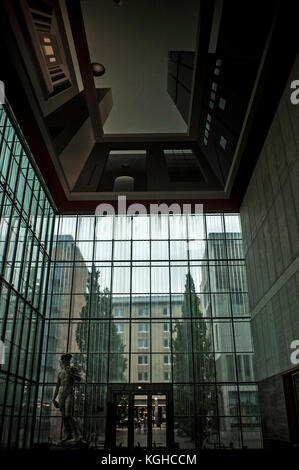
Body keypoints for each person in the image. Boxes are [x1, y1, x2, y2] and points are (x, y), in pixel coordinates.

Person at [52, 353, 81, 443]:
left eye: (68, 359)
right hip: (61, 394)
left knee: (69, 414)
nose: (66, 361)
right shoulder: (60, 373)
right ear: (63, 361)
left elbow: (79, 379)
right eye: (65, 360)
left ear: (69, 360)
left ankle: (77, 435)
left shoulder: (72, 369)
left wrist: (71, 374)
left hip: (69, 392)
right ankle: (68, 434)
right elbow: (57, 386)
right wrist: (54, 399)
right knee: (64, 416)